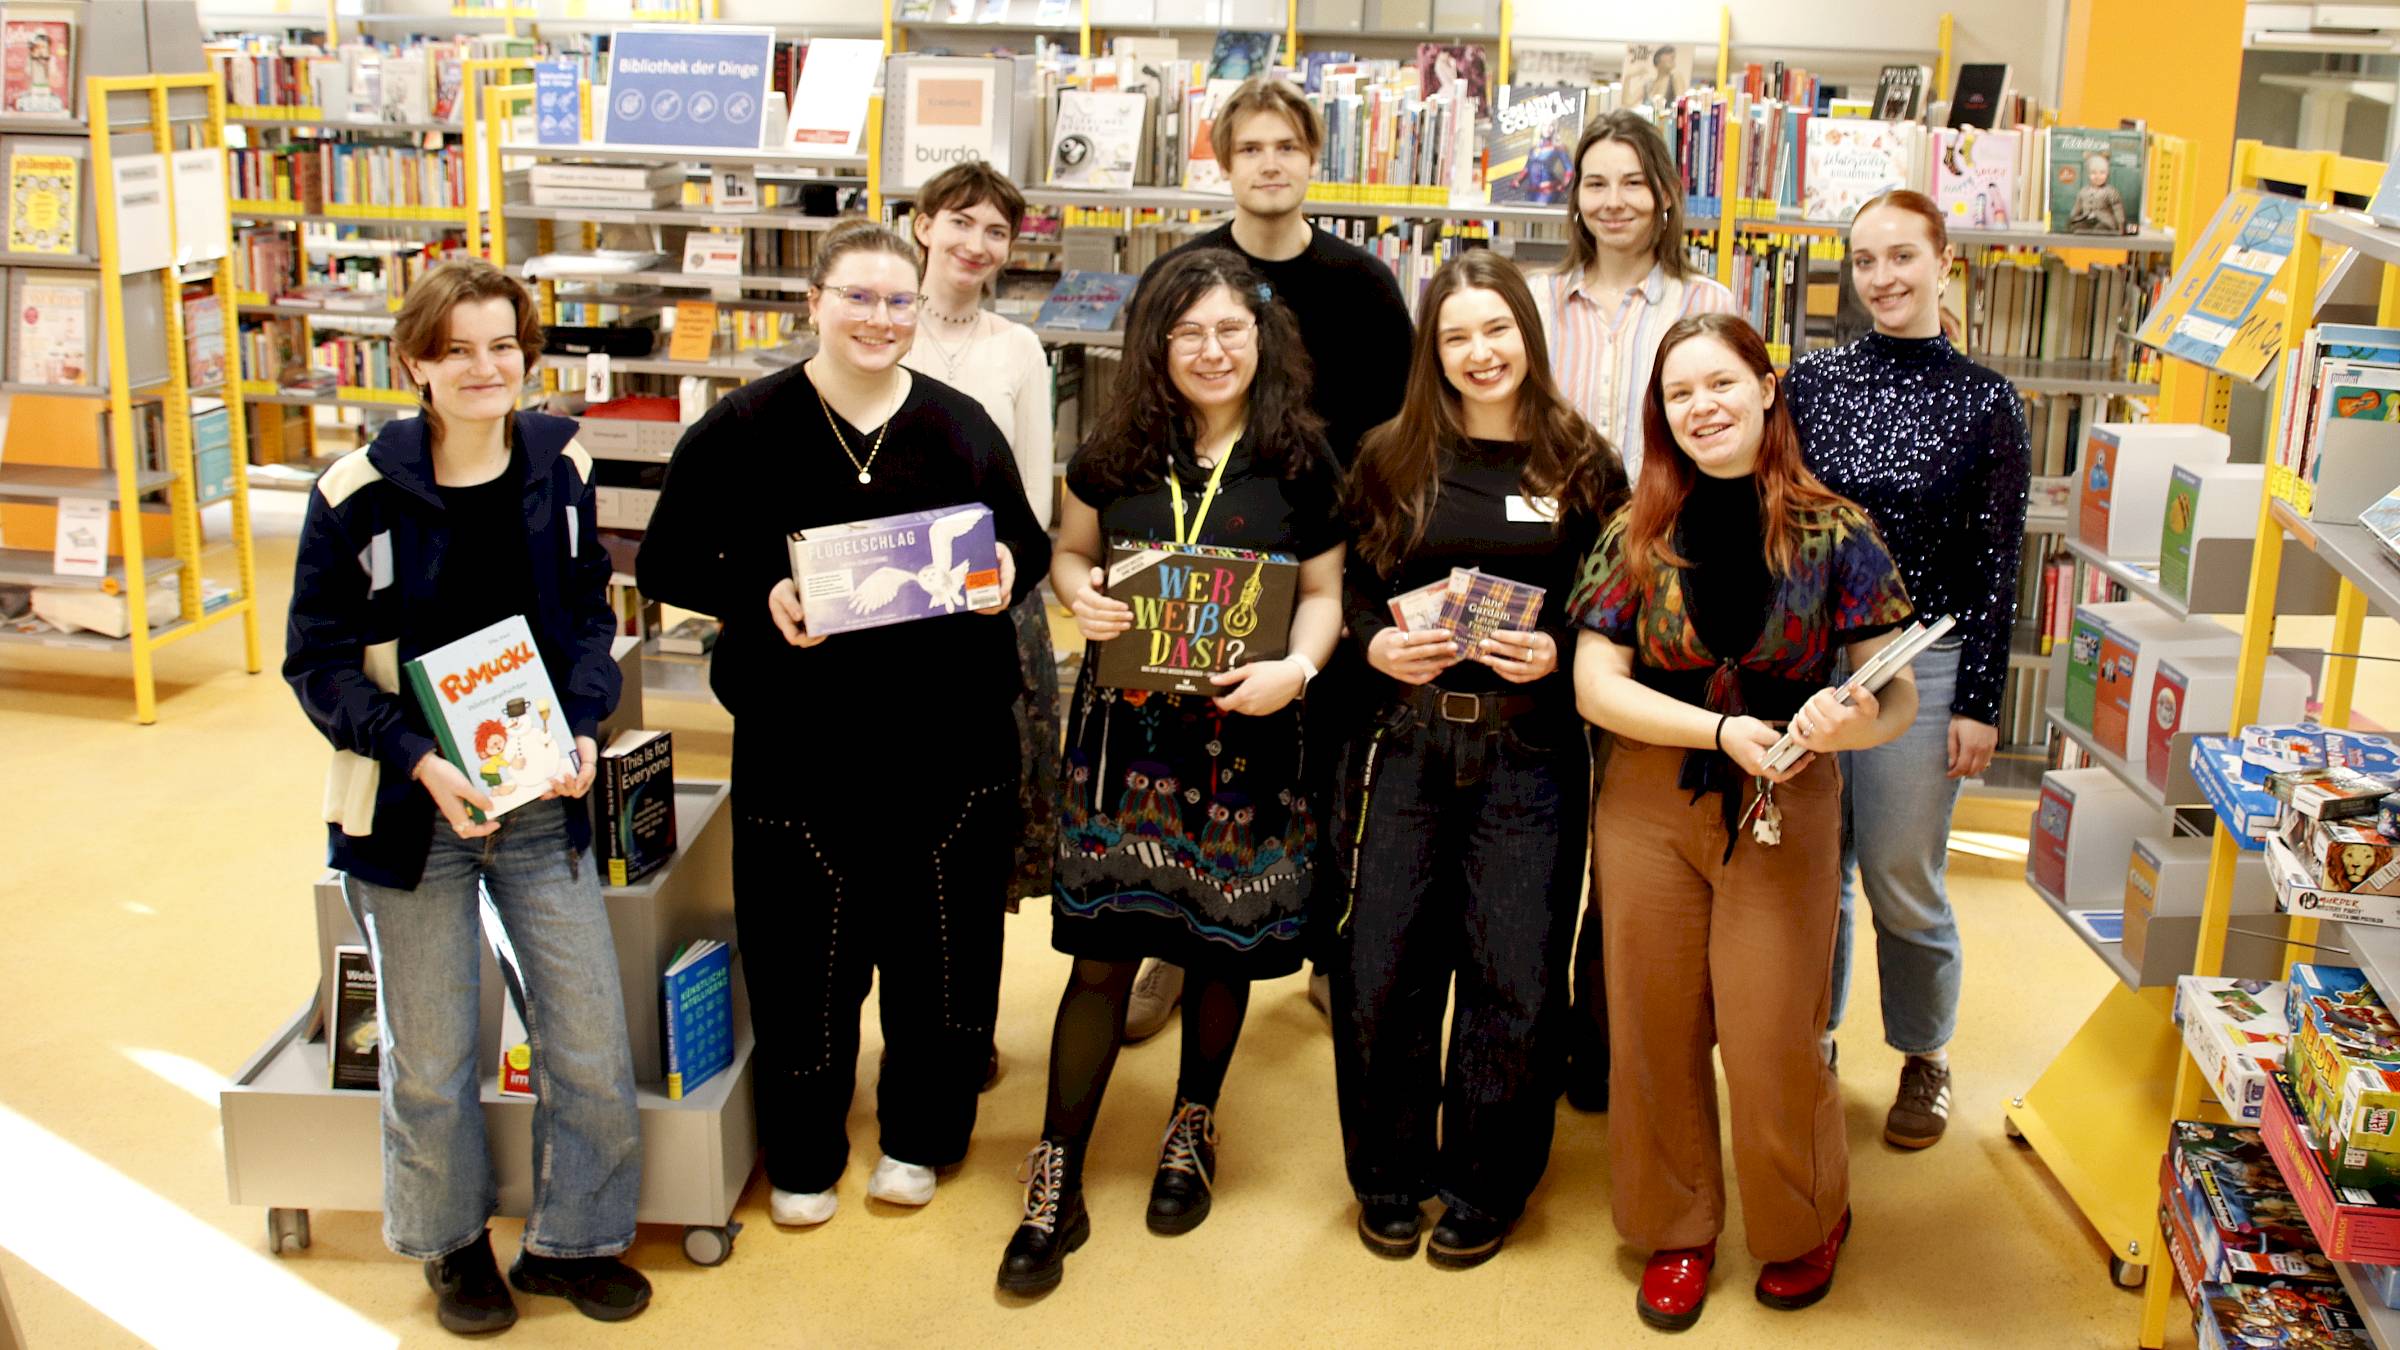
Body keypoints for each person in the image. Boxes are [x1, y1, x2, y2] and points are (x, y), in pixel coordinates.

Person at [636, 221, 1049, 1228]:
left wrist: (997, 587)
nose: (878, 318)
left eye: (897, 300)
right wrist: (757, 591)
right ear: (812, 304)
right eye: (856, 297)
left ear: (920, 307)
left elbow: (1024, 553)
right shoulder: (743, 427)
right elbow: (665, 563)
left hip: (950, 743)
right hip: (800, 737)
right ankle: (807, 1144)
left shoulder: (961, 427)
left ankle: (922, 1133)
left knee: (940, 949)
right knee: (801, 949)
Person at [284, 258, 649, 1334]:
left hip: (540, 801)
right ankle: (450, 1246)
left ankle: (572, 1239)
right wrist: (417, 760)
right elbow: (320, 663)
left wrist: (584, 723)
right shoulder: (355, 494)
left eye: (503, 346)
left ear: (528, 358)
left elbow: (591, 612)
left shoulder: (560, 461)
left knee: (585, 1031)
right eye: (457, 350)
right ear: (415, 366)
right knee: (432, 1052)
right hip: (411, 811)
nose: (485, 368)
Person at [996, 248, 1345, 1295]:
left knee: (1220, 946)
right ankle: (1054, 1170)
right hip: (1128, 743)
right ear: (1156, 344)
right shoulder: (1113, 450)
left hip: (1246, 739)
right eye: (1187, 331)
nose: (1210, 350)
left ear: (1261, 338)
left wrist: (1298, 666)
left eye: (1229, 329)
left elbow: (1325, 590)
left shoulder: (1302, 461)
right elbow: (1070, 552)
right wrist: (1078, 595)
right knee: (1100, 957)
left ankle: (1193, 1121)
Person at [1571, 312, 1918, 1330]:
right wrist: (1722, 731)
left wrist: (1846, 725)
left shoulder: (1836, 530)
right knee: (1652, 1023)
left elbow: (1891, 698)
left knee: (1773, 1033)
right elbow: (1596, 684)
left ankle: (1806, 1218)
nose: (1703, 408)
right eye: (1680, 395)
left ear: (1768, 388)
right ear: (1661, 415)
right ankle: (1676, 1226)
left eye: (1721, 384)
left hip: (1790, 795)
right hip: (1649, 797)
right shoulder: (1634, 530)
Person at [1333, 251, 1627, 1269]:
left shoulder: (1582, 461)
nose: (1479, 352)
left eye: (1495, 328)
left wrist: (1560, 655)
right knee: (1386, 966)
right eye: (1456, 336)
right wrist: (1374, 643)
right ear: (1434, 351)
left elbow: (1611, 610)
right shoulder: (1388, 457)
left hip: (1531, 751)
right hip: (1407, 743)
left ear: (1526, 335)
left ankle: (1486, 1183)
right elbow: (1350, 597)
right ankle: (1390, 1175)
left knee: (1516, 972)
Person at [1125, 74, 1414, 1039]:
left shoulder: (1365, 285)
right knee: (1186, 757)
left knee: (1324, 757)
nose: (1270, 163)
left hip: (1329, 557)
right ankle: (1171, 943)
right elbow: (1145, 406)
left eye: (1287, 146)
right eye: (1251, 148)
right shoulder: (1185, 271)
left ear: (1313, 158)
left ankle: (1326, 946)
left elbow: (1396, 430)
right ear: (1224, 160)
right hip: (1200, 561)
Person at [1785, 189, 2029, 1150]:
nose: (1883, 279)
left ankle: (1924, 1056)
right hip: (1813, 662)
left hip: (1923, 666)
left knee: (1900, 872)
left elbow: (1999, 565)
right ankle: (1817, 1039)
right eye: (1866, 261)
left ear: (1941, 262)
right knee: (1814, 869)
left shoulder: (1986, 401)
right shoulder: (1810, 383)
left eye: (1902, 258)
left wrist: (1979, 704)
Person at [1535, 109, 1737, 1111]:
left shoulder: (1707, 301)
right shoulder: (1537, 302)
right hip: (1548, 568)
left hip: (1662, 582)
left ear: (1666, 194)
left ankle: (1605, 1038)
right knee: (1544, 809)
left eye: (1632, 182)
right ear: (1574, 198)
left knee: (1632, 819)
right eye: (1594, 183)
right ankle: (1543, 1026)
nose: (1612, 201)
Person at [901, 160, 1062, 1074]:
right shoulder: (880, 319)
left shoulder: (1017, 350)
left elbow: (1032, 495)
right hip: (891, 612)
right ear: (923, 224)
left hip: (990, 605)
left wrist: (1010, 572)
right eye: (959, 222)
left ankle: (970, 1029)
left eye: (996, 232)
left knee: (980, 827)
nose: (975, 244)